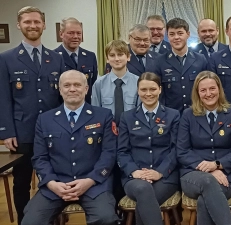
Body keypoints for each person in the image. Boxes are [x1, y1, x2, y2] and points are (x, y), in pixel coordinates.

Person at [21, 70, 118, 225]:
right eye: (67, 85)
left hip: (93, 184)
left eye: (77, 85)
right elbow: (40, 158)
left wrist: (90, 180)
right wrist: (52, 183)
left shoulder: (103, 116)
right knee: (31, 221)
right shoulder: (45, 119)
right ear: (60, 90)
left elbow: (109, 154)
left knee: (105, 218)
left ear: (86, 89)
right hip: (56, 185)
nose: (72, 89)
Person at [0, 6, 65, 224]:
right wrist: (7, 131)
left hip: (53, 132)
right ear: (19, 25)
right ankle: (24, 220)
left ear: (44, 25)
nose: (33, 26)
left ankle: (55, 219)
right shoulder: (6, 58)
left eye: (37, 22)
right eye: (27, 22)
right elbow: (3, 98)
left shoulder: (56, 58)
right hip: (22, 132)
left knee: (55, 178)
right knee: (21, 183)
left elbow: (61, 97)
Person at [177, 71, 231, 225]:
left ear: (219, 89)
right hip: (193, 174)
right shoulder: (187, 115)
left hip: (227, 175)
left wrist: (217, 164)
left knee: (204, 201)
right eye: (203, 90)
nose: (208, 94)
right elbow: (182, 152)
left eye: (212, 88)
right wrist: (210, 169)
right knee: (208, 181)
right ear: (197, 93)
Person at [117, 72, 180, 225]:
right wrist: (135, 171)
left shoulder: (173, 115)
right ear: (138, 91)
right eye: (143, 90)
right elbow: (122, 151)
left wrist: (159, 172)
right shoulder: (127, 117)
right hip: (135, 177)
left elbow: (176, 149)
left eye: (152, 89)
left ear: (160, 89)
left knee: (145, 199)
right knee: (143, 190)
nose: (148, 94)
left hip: (165, 176)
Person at [91, 40, 139, 204]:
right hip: (108, 138)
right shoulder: (99, 84)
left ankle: (130, 212)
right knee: (112, 174)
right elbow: (96, 113)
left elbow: (139, 113)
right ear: (107, 59)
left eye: (120, 54)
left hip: (132, 137)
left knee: (128, 172)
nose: (117, 58)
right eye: (112, 55)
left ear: (128, 57)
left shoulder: (138, 82)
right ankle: (114, 210)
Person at [151, 18, 208, 113]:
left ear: (188, 34)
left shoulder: (200, 59)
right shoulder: (160, 61)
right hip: (171, 116)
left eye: (180, 33)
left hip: (197, 114)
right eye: (172, 34)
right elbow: (158, 93)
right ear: (167, 36)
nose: (176, 37)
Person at [54, 17, 98, 103]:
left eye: (79, 33)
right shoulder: (53, 57)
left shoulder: (90, 56)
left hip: (86, 108)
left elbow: (92, 85)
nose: (75, 36)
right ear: (61, 34)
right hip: (62, 108)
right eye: (71, 33)